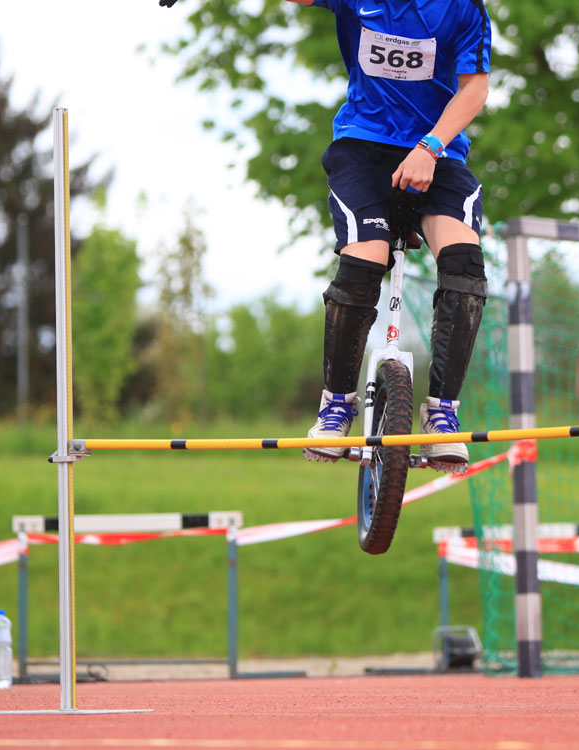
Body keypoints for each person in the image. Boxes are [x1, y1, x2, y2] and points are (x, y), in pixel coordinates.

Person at [162, 0, 491, 472]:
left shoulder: (463, 7)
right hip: (363, 149)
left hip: (437, 153)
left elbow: (475, 87)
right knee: (364, 260)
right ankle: (336, 405)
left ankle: (442, 414)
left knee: (464, 260)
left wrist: (430, 147)